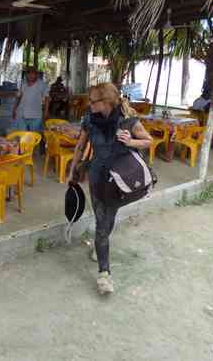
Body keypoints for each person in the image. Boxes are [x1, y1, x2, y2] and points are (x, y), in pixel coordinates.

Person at [67, 83, 152, 295]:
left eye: (93, 101)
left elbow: (148, 141)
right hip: (97, 176)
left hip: (119, 179)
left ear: (106, 102)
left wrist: (130, 141)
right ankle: (104, 274)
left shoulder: (128, 121)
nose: (89, 104)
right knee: (102, 221)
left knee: (109, 216)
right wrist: (72, 169)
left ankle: (100, 247)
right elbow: (80, 146)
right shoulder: (89, 120)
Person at [12, 67, 50, 132]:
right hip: (22, 115)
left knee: (34, 135)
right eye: (28, 73)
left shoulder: (42, 84)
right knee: (22, 135)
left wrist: (46, 112)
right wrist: (14, 109)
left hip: (35, 116)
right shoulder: (23, 83)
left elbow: (47, 98)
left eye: (33, 73)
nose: (30, 75)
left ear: (36, 75)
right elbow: (18, 97)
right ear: (26, 75)